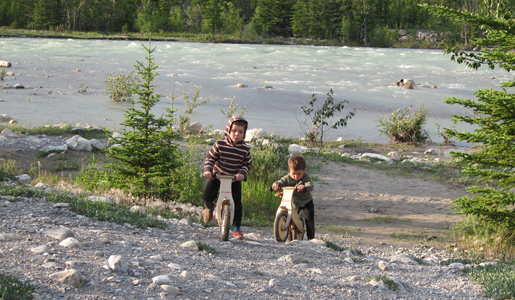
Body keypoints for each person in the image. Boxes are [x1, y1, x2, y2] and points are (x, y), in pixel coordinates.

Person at [202, 115, 252, 240]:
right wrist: (208, 171)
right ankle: (210, 207)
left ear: (244, 133)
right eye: (234, 131)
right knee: (207, 197)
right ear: (228, 130)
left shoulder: (245, 149)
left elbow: (247, 164)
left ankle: (237, 228)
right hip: (217, 175)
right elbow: (210, 158)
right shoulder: (220, 143)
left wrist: (242, 173)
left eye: (240, 132)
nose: (237, 134)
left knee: (237, 203)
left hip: (234, 178)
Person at [272, 155, 315, 240]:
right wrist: (276, 185)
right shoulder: (288, 177)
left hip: (306, 201)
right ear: (289, 171)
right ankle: (289, 236)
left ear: (304, 170)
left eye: (299, 174)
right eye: (293, 174)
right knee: (291, 217)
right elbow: (281, 182)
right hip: (294, 201)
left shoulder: (306, 177)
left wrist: (304, 187)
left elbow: (310, 185)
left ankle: (311, 238)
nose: (296, 176)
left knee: (309, 221)